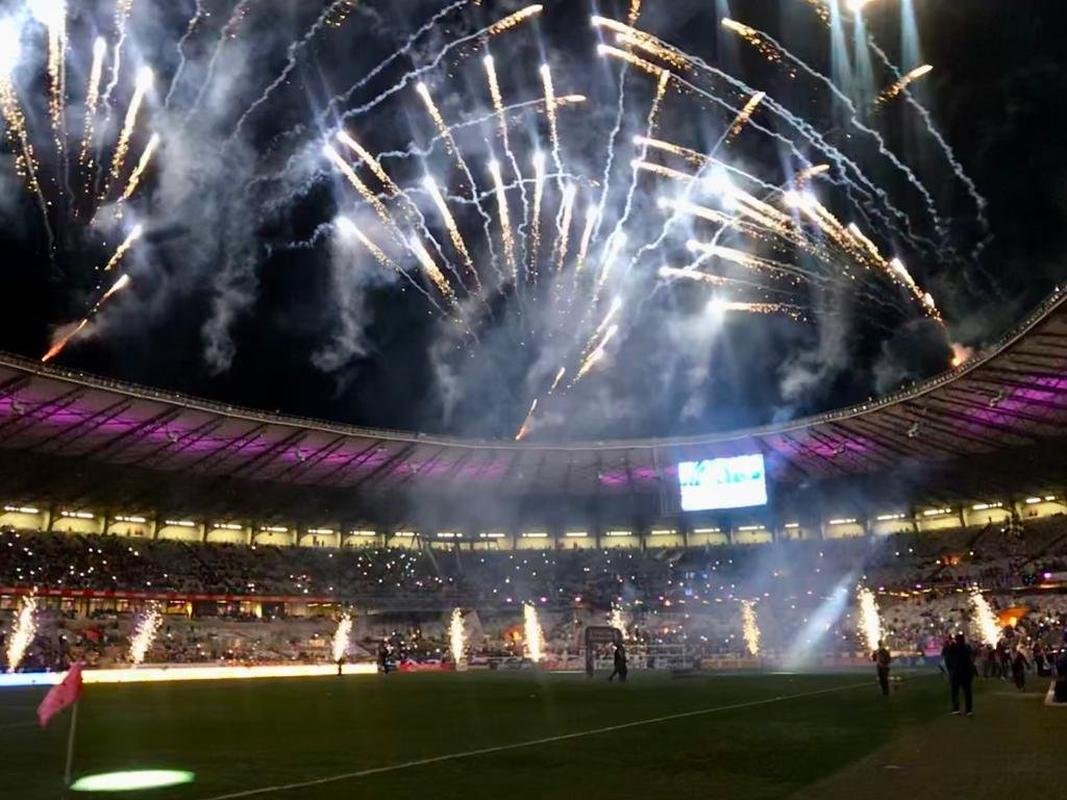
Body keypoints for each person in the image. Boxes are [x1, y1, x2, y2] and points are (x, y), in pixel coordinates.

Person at [942, 633, 975, 716]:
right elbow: (971, 656)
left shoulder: (953, 647)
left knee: (954, 692)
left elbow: (947, 658)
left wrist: (950, 670)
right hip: (966, 672)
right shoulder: (967, 647)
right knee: (967, 692)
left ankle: (956, 709)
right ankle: (969, 710)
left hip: (956, 673)